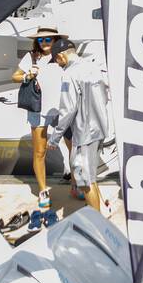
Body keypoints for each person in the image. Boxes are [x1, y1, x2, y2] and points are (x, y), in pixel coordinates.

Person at [48, 38, 113, 216]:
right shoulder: (93, 68)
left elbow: (68, 109)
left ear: (61, 56)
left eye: (56, 61)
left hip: (84, 134)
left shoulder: (69, 74)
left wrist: (55, 137)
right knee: (90, 176)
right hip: (99, 130)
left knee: (85, 181)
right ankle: (98, 211)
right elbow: (105, 96)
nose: (58, 65)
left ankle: (96, 225)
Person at [13, 27, 65, 206]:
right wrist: (27, 75)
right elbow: (15, 76)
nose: (45, 43)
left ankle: (76, 184)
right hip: (38, 109)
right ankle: (43, 191)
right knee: (39, 152)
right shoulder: (31, 56)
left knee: (74, 149)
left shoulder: (62, 55)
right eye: (41, 40)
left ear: (55, 39)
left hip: (62, 109)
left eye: (48, 39)